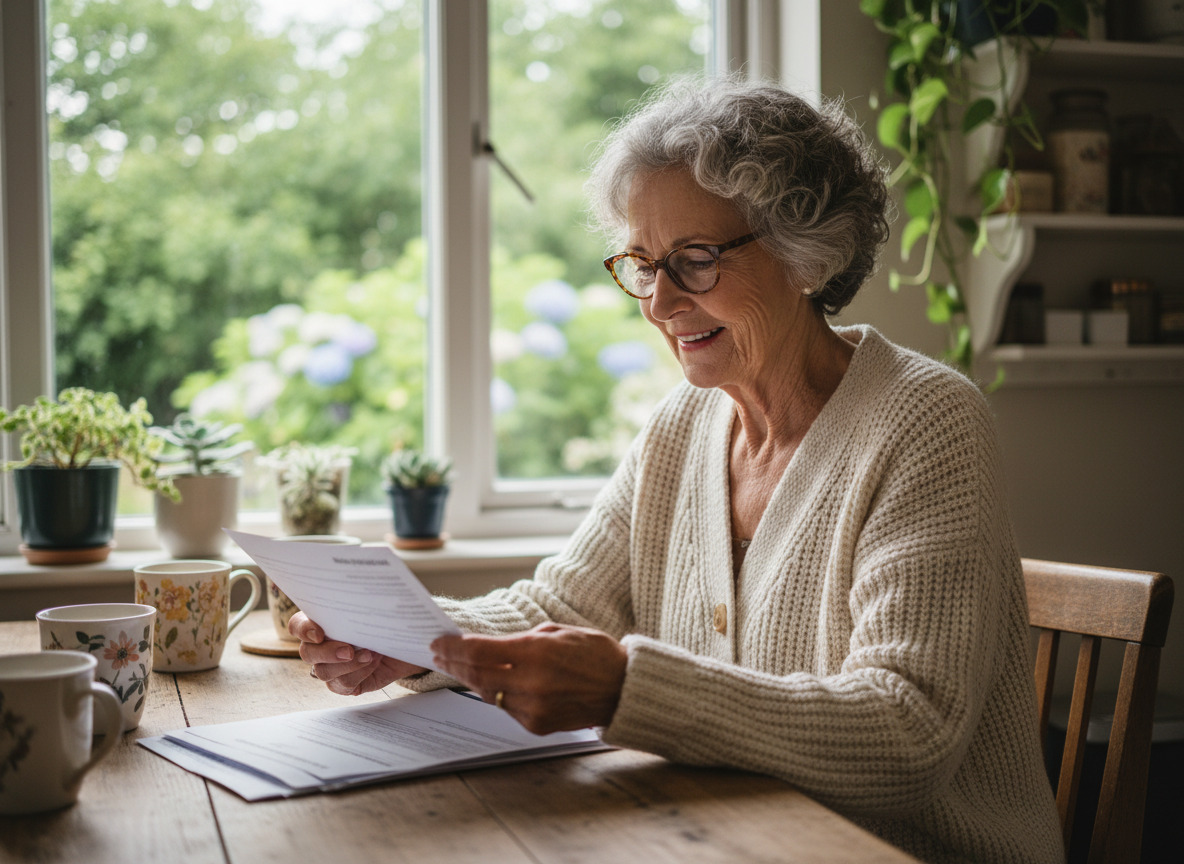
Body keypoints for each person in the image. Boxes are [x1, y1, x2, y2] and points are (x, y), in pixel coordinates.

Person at [292, 77, 1063, 864]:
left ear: (807, 253)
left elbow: (907, 731)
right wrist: (415, 641)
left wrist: (627, 690)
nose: (659, 302)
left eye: (694, 260)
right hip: (723, 839)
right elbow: (565, 605)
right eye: (641, 263)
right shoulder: (684, 424)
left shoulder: (927, 421)